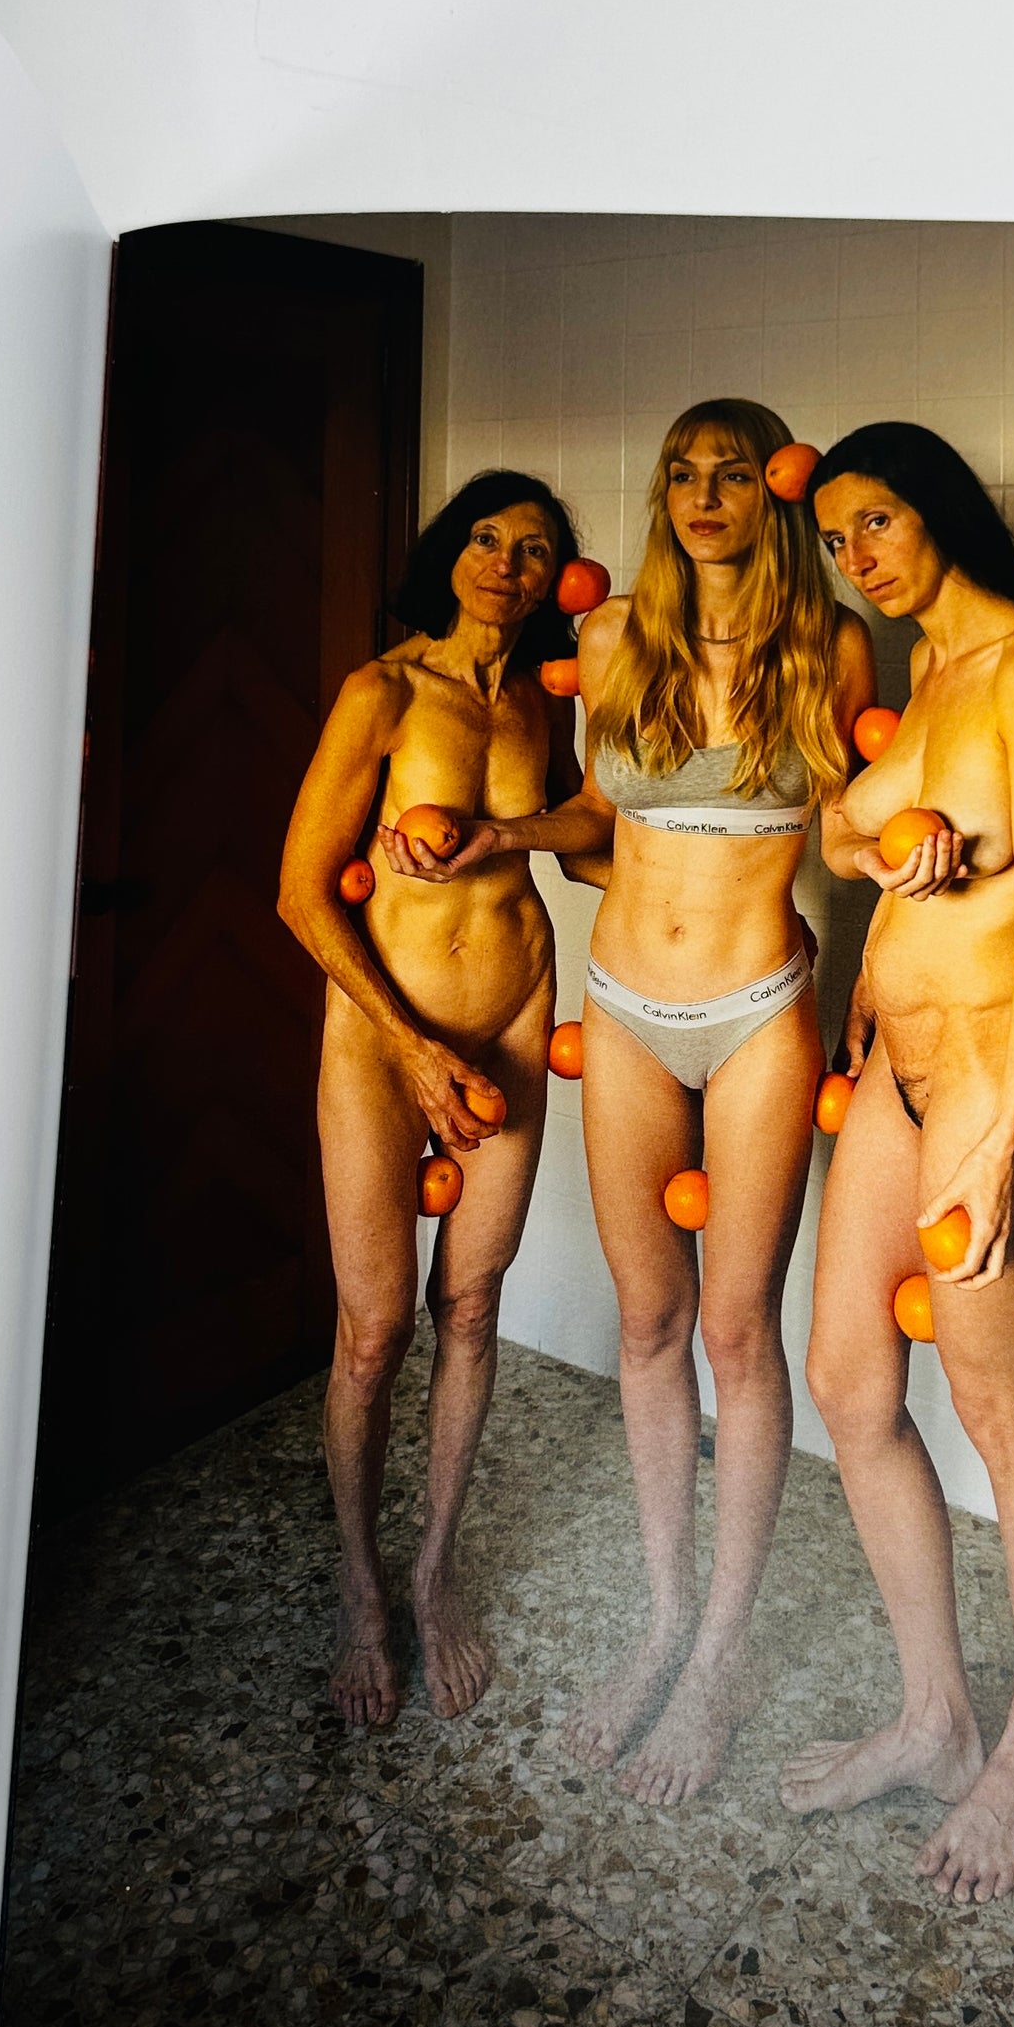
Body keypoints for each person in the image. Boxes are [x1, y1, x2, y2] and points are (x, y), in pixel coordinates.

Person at [395, 399, 872, 1805]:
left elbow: (854, 823)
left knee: (735, 1329)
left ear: (773, 491)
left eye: (731, 471)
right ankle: (665, 1621)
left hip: (761, 1011)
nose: (704, 493)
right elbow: (599, 823)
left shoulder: (831, 645)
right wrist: (503, 832)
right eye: (681, 473)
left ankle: (721, 1656)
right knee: (649, 1324)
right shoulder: (610, 640)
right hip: (621, 1010)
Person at [778, 420, 1014, 1904]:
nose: (857, 559)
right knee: (849, 1385)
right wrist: (877, 859)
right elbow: (849, 827)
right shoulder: (925, 672)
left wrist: (1003, 1132)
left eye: (877, 524)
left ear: (941, 512)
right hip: (895, 1077)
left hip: (994, 1077)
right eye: (836, 539)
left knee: (999, 1413)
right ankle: (935, 1716)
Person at [276, 472, 582, 1728]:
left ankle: (433, 1572)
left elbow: (585, 837)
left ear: (555, 579)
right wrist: (408, 1051)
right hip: (381, 1040)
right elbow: (301, 892)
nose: (506, 562)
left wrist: (511, 838)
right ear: (449, 554)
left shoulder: (545, 699)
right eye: (487, 539)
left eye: (535, 549)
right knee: (373, 1330)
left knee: (472, 1305)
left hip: (512, 1020)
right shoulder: (385, 691)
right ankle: (361, 1591)